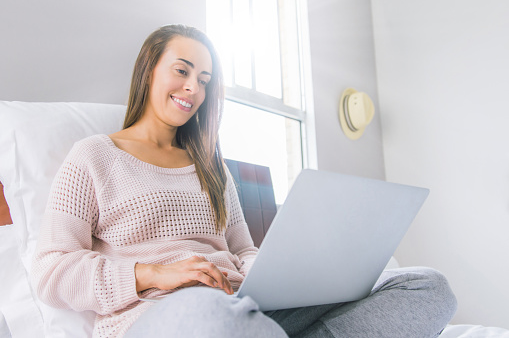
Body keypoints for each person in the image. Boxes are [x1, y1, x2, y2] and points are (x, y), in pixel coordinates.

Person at [31, 24, 457, 338]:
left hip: (245, 306)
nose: (192, 88)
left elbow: (243, 249)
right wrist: (157, 273)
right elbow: (52, 272)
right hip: (168, 318)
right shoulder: (94, 155)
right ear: (148, 70)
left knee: (427, 286)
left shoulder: (209, 166)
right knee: (221, 321)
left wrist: (273, 280)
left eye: (203, 80)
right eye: (181, 70)